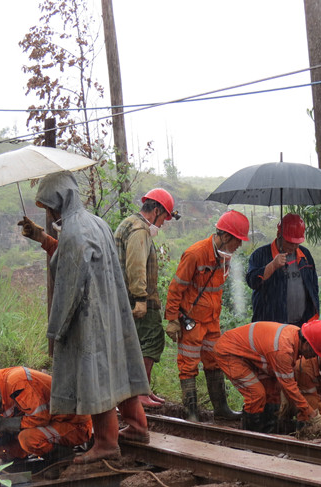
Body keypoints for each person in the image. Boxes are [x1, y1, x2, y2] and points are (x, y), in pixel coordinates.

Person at [35, 171, 150, 464]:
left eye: (48, 205)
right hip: (112, 309)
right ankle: (138, 428)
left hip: (90, 315)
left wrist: (57, 328)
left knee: (96, 375)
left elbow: (69, 284)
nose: (49, 212)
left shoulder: (74, 231)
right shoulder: (96, 222)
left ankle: (106, 444)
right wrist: (44, 238)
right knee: (119, 367)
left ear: (58, 201)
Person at [164, 209, 249, 422]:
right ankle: (191, 414)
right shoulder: (195, 254)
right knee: (188, 365)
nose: (239, 245)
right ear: (226, 236)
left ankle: (221, 409)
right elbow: (176, 288)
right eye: (238, 240)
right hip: (192, 321)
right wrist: (172, 319)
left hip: (212, 322)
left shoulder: (224, 258)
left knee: (215, 362)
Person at [0, 360, 92, 463]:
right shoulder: (2, 389)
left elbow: (40, 418)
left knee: (27, 439)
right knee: (3, 450)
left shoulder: (17, 382)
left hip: (75, 425)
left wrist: (8, 424)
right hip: (52, 424)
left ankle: (63, 458)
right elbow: (12, 425)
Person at [114, 188, 179, 408]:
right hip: (137, 298)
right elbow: (136, 265)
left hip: (126, 296)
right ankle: (140, 392)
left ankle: (142, 390)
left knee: (137, 344)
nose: (162, 224)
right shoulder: (140, 229)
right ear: (157, 210)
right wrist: (141, 298)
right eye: (163, 218)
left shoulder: (129, 223)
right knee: (152, 340)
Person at [214, 320, 321, 433]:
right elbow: (289, 387)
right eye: (315, 352)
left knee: (273, 392)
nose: (314, 356)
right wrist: (310, 413)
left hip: (249, 353)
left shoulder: (294, 336)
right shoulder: (283, 351)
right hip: (229, 352)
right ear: (307, 344)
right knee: (256, 394)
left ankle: (269, 431)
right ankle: (250, 434)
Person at [246, 213, 319, 326]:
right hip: (271, 326)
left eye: (297, 243)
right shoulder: (260, 255)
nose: (293, 247)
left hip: (301, 324)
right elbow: (252, 281)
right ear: (278, 234)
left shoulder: (305, 255)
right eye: (289, 242)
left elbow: (313, 286)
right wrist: (272, 266)